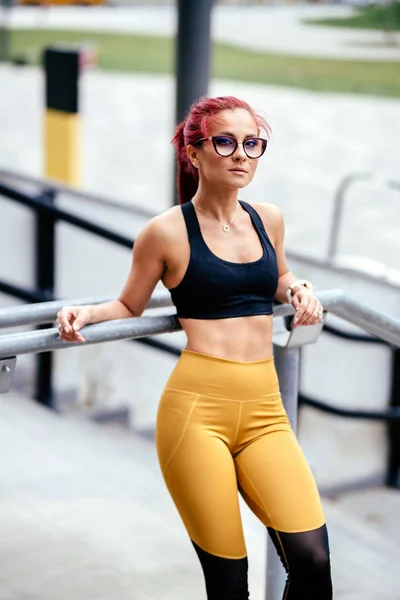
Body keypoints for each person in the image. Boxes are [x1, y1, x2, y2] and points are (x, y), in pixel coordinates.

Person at [56, 96, 333, 600]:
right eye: (225, 141)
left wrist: (300, 288)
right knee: (228, 586)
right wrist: (86, 313)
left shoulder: (267, 219)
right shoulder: (164, 232)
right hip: (196, 414)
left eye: (252, 143)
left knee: (313, 562)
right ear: (194, 152)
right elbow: (129, 304)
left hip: (266, 412)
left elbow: (279, 275)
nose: (241, 154)